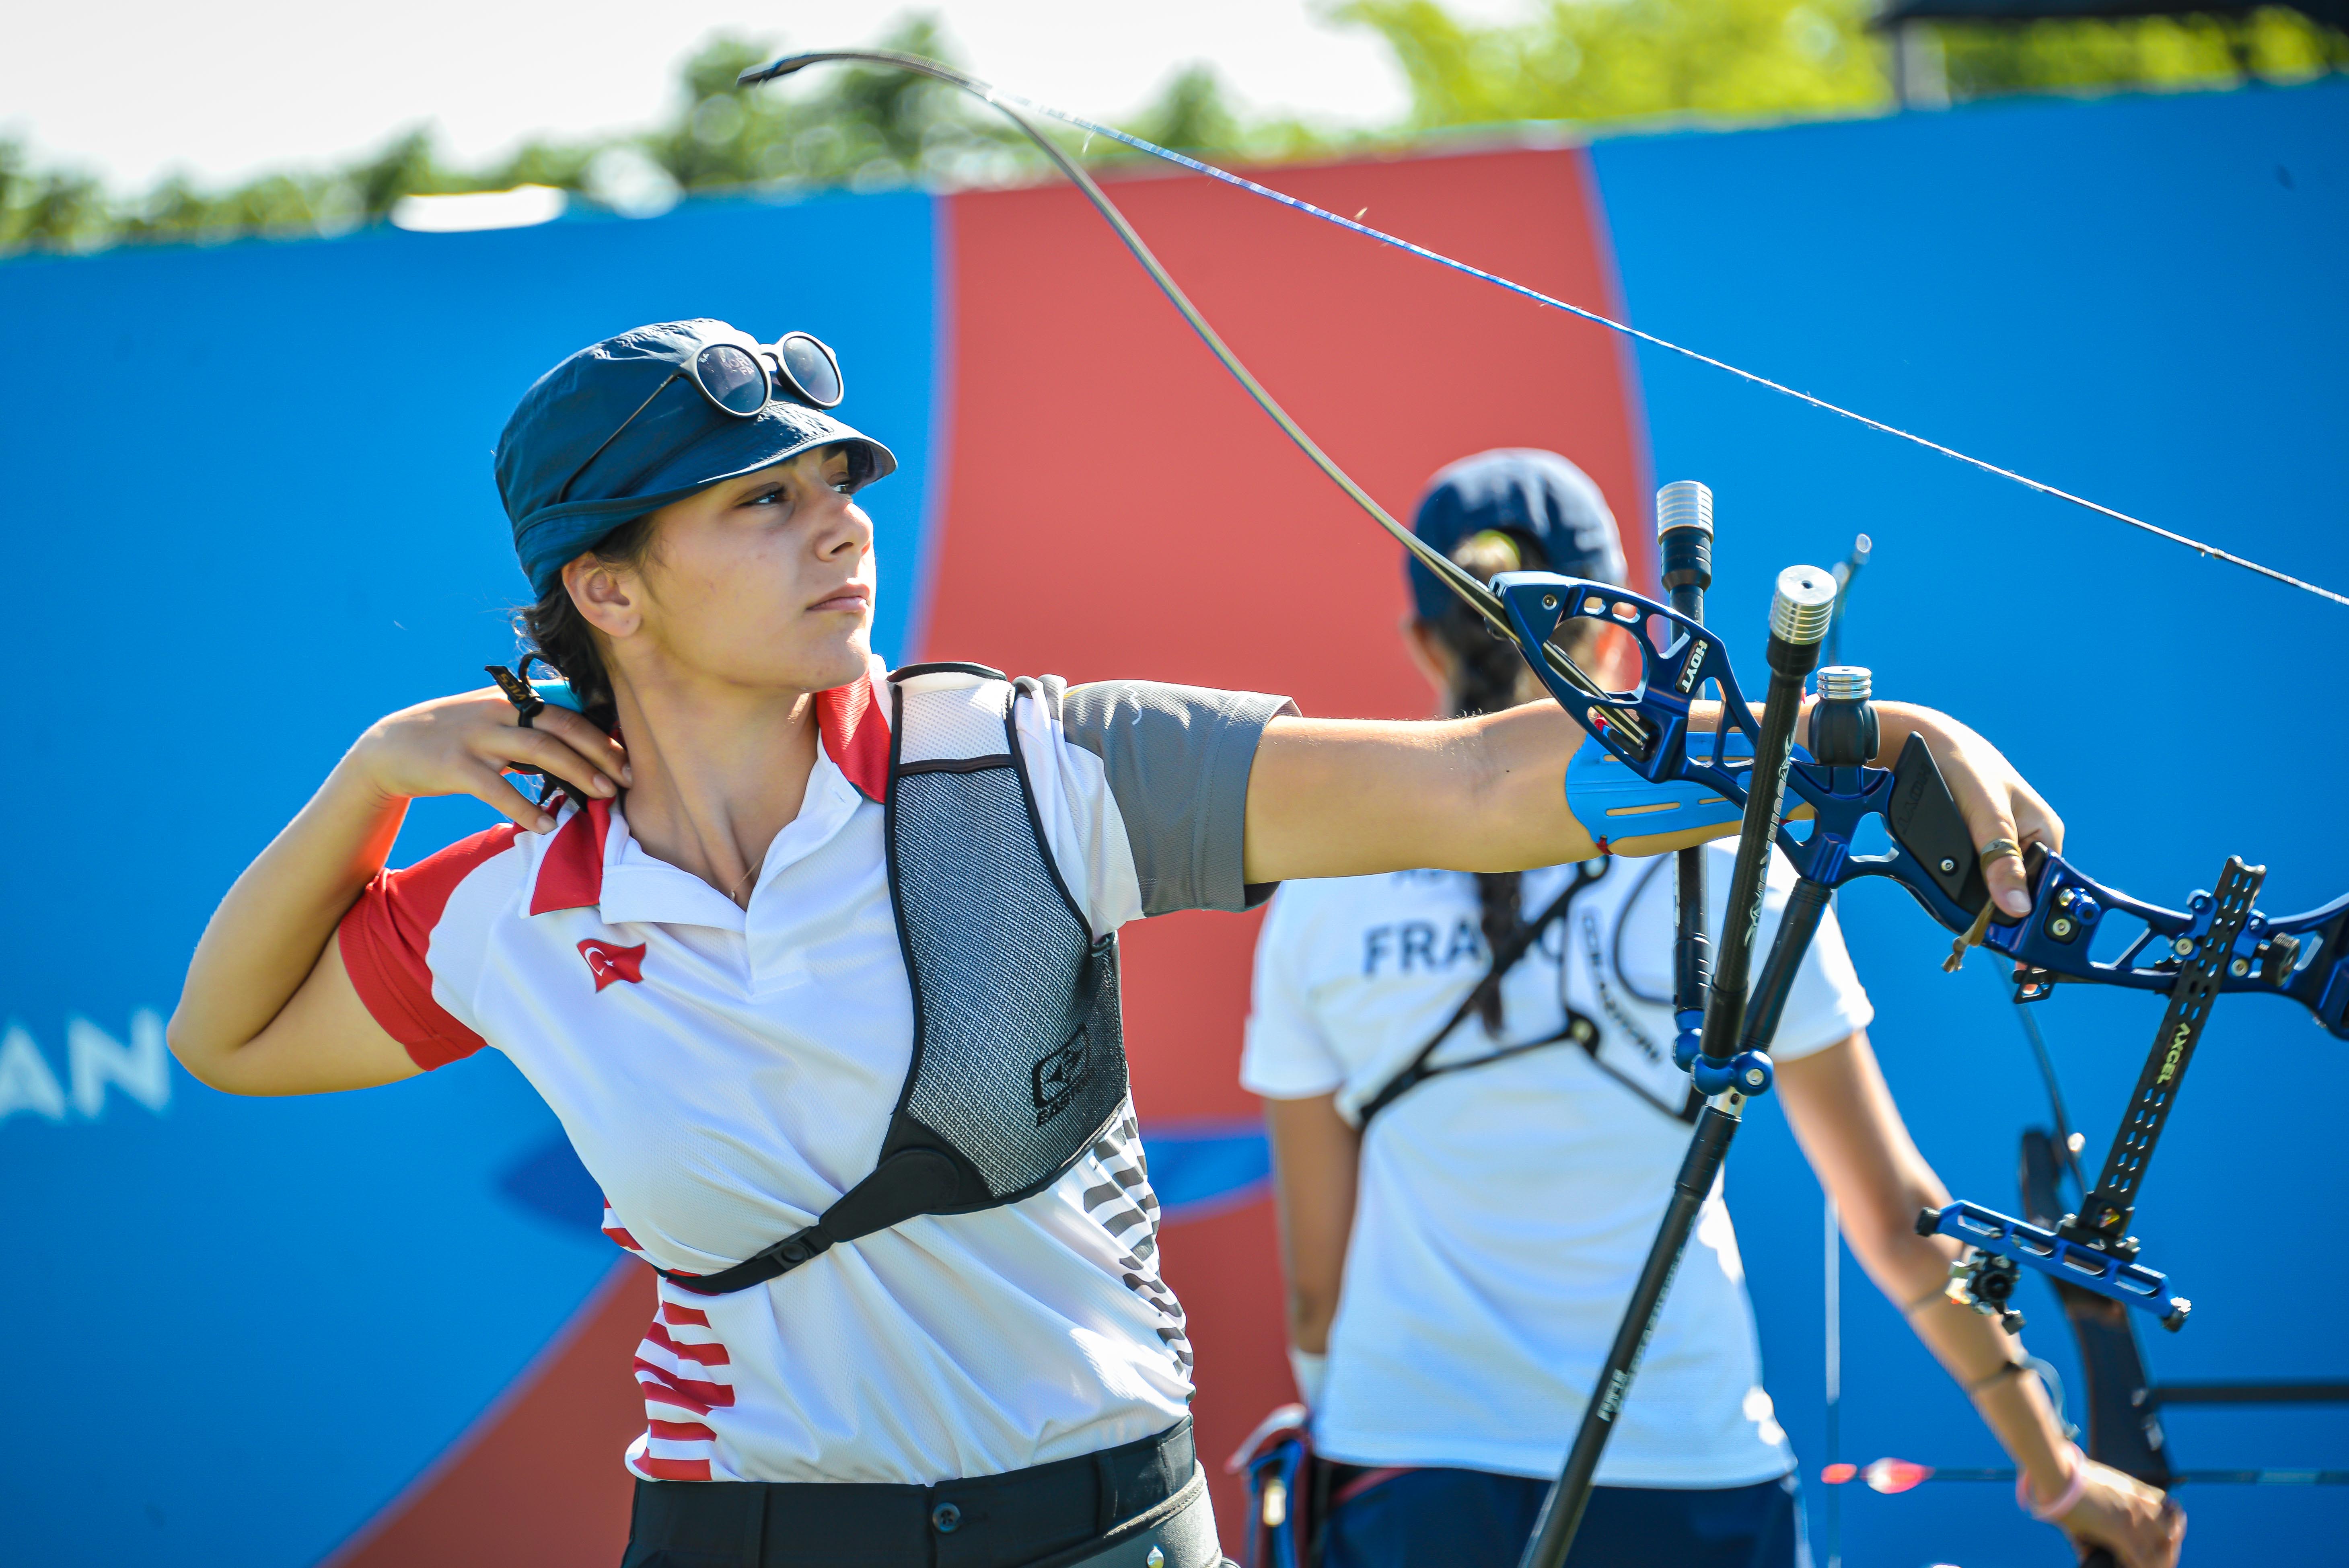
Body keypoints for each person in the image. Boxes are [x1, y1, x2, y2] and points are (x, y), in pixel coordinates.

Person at [167, 322, 2059, 1568]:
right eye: (761, 504)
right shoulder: (514, 901)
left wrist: (1867, 741)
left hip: (1104, 1528)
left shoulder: (1035, 764)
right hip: (745, 1529)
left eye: (839, 487)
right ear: (605, 589)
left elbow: (1488, 784)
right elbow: (226, 1038)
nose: (837, 529)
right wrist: (373, 774)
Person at [1240, 450, 2187, 1568]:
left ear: (1424, 642)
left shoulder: (1325, 889)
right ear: (1613, 631)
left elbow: (1315, 1300)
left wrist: (1349, 1424)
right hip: (1687, 1476)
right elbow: (1895, 1217)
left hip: (1410, 1478)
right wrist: (2057, 1471)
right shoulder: (1733, 850)